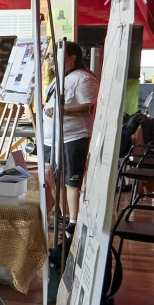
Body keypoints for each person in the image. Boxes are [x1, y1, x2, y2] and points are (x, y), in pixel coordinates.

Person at [41, 41, 98, 224]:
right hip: (52, 139)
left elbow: (91, 106)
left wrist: (64, 111)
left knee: (72, 182)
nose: (51, 60)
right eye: (50, 56)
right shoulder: (58, 78)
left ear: (72, 58)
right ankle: (62, 216)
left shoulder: (83, 78)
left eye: (55, 56)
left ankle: (74, 223)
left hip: (73, 137)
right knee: (53, 179)